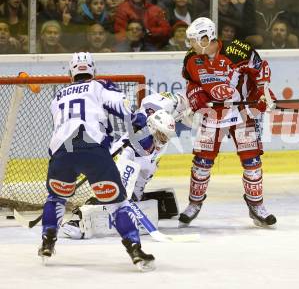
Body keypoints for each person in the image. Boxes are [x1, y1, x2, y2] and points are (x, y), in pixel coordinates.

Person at [38, 52, 155, 271]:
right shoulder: (99, 86)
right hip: (93, 149)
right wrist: (138, 117)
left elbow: (59, 129)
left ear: (71, 72)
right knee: (118, 204)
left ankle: (47, 241)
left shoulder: (58, 97)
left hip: (62, 154)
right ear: (93, 70)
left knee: (55, 197)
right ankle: (135, 250)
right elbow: (122, 105)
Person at [179, 17, 277, 228]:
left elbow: (261, 71)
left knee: (252, 162)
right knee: (202, 163)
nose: (191, 45)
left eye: (194, 40)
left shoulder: (238, 51)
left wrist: (262, 93)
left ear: (206, 38)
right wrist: (197, 97)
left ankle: (256, 205)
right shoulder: (190, 59)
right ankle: (194, 204)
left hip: (241, 112)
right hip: (213, 114)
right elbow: (192, 84)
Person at [60, 91, 193, 240]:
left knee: (133, 195)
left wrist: (134, 195)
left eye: (166, 137)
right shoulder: (139, 141)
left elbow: (145, 172)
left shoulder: (161, 137)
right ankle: (79, 220)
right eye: (162, 136)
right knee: (112, 194)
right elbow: (148, 105)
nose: (164, 140)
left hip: (143, 158)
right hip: (121, 158)